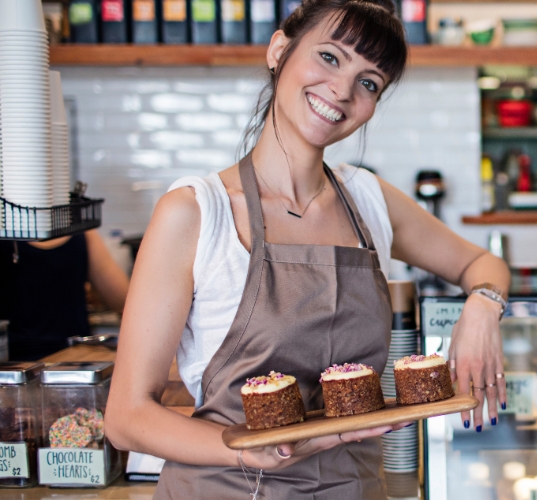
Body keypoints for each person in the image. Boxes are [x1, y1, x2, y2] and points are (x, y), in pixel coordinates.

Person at [105, 0, 510, 497]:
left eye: (369, 83)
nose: (342, 91)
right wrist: (243, 448)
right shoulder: (195, 212)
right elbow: (126, 417)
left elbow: (480, 262)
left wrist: (483, 308)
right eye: (330, 57)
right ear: (279, 49)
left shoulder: (369, 199)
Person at [0, 230, 129, 360]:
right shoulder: (82, 231)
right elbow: (121, 300)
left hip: (16, 361)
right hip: (76, 357)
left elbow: (121, 301)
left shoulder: (83, 231)